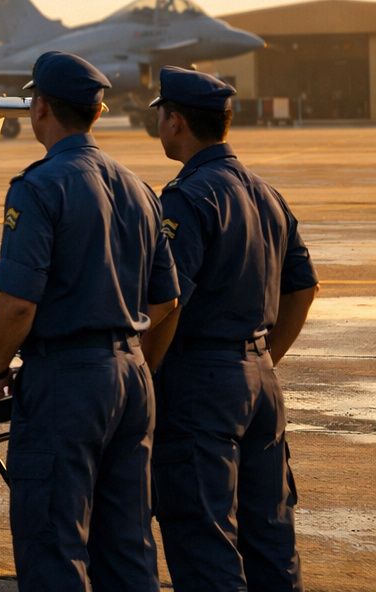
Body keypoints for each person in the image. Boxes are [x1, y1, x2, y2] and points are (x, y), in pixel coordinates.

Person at [0, 51, 179, 592]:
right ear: (98, 111)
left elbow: (19, 302)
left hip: (67, 381)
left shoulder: (40, 186)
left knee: (54, 544)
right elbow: (167, 301)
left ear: (41, 108)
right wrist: (132, 359)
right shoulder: (140, 188)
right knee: (127, 541)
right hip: (131, 377)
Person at [139, 66, 319, 592]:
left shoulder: (188, 197)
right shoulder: (266, 193)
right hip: (260, 380)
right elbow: (302, 288)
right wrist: (262, 358)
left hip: (201, 385)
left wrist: (145, 376)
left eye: (162, 115)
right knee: (269, 534)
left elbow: (167, 301)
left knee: (204, 535)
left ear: (175, 122)